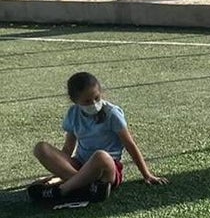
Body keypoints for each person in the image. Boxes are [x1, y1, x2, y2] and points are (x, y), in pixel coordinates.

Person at [27, 71, 168, 205]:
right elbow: (68, 147)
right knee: (41, 148)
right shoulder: (73, 113)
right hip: (80, 165)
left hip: (105, 169)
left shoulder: (112, 114)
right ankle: (82, 185)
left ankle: (61, 190)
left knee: (100, 155)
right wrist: (59, 170)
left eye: (97, 98)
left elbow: (130, 144)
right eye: (87, 101)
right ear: (74, 101)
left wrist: (147, 175)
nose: (94, 104)